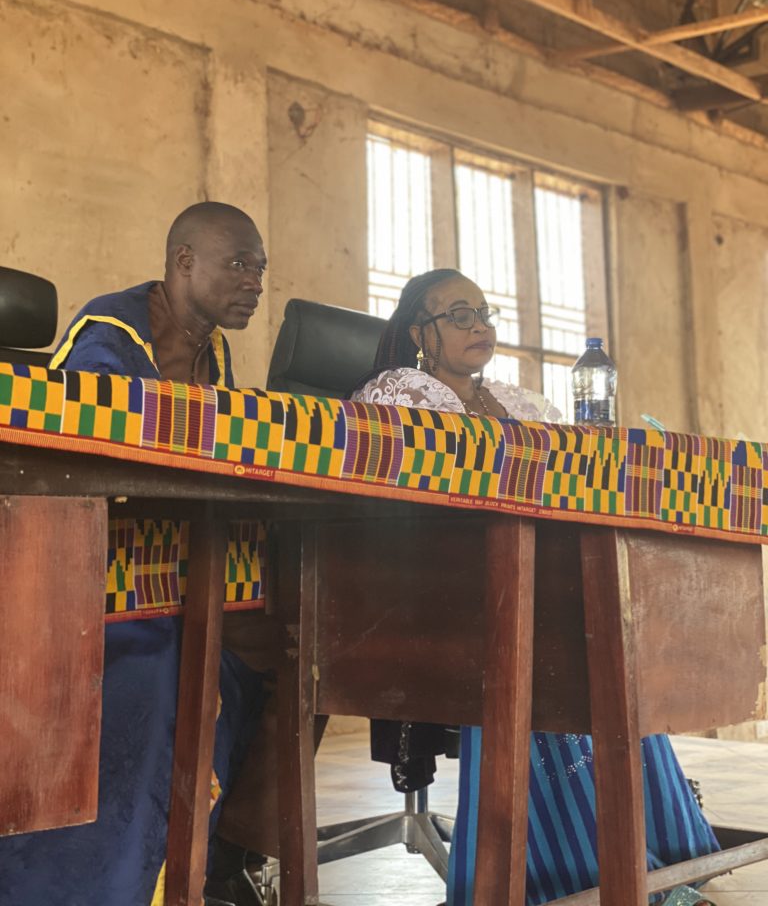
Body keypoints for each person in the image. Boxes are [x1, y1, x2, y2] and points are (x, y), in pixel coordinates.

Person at [352, 268, 719, 906]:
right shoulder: (399, 394)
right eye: (458, 315)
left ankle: (655, 857)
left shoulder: (518, 403)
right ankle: (572, 873)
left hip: (528, 582)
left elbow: (571, 478)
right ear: (420, 334)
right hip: (442, 595)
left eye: (484, 313)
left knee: (606, 632)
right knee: (546, 645)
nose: (479, 325)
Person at [0, 202, 269, 906]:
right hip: (67, 580)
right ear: (184, 262)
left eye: (260, 269)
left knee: (259, 654)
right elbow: (93, 451)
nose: (254, 282)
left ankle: (196, 866)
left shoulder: (214, 351)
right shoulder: (109, 334)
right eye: (238, 264)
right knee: (159, 669)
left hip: (161, 575)